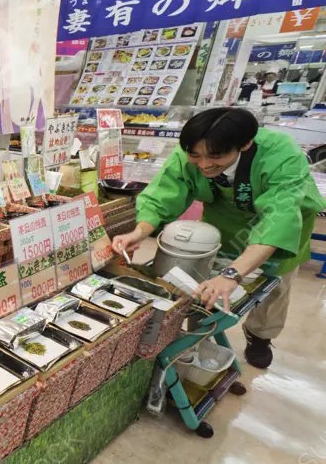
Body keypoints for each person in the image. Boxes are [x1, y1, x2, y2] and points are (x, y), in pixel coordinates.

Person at [112, 108, 325, 368]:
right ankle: (201, 334)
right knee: (207, 279)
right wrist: (140, 231)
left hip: (281, 221)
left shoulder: (282, 154)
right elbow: (163, 193)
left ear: (245, 144)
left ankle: (260, 335)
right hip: (225, 218)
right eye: (195, 156)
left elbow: (278, 219)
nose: (203, 164)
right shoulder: (193, 151)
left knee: (273, 284)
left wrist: (232, 275)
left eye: (216, 156)